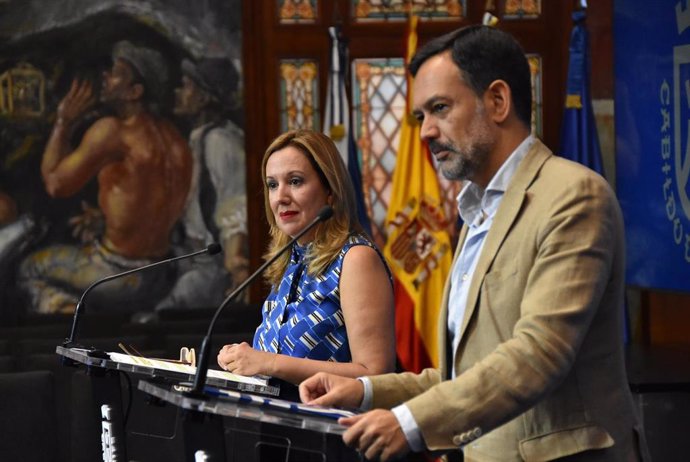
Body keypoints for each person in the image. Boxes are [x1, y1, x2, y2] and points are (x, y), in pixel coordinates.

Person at [299, 25, 650, 461]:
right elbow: (460, 375)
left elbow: (538, 355)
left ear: (498, 101)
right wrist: (365, 390)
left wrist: (410, 423)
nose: (425, 132)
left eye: (440, 108)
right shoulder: (476, 213)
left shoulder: (573, 196)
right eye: (419, 117)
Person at [18, 41, 192, 314]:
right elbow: (148, 204)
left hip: (117, 276)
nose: (105, 76)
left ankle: (72, 320)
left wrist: (64, 122)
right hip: (162, 274)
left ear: (135, 91)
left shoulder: (114, 132)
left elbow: (54, 183)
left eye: (115, 72)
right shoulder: (175, 140)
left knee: (30, 269)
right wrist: (105, 219)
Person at [217, 129, 396, 388]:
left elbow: (376, 374)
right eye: (272, 185)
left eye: (296, 181)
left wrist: (268, 362)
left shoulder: (356, 259)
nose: (281, 197)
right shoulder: (290, 260)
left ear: (330, 192)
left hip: (334, 426)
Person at [155, 57, 248, 311]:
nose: (178, 92)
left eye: (186, 86)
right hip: (187, 257)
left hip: (212, 266)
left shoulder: (221, 141)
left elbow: (235, 206)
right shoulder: (198, 138)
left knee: (163, 315)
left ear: (204, 97)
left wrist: (236, 263)